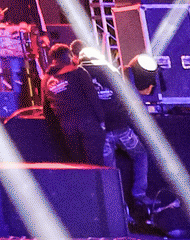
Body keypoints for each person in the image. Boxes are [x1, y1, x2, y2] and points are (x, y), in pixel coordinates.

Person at [43, 45, 161, 225]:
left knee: (109, 174)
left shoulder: (76, 73)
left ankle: (121, 212)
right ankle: (139, 195)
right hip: (120, 127)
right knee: (140, 153)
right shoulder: (112, 70)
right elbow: (127, 96)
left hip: (100, 132)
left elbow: (83, 101)